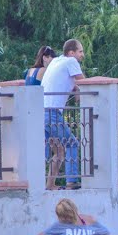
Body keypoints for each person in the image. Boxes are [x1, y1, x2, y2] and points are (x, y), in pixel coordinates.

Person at [41, 39, 86, 190]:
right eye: (80, 51)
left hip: (40, 112)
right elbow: (85, 82)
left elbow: (64, 81)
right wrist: (80, 89)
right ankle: (72, 181)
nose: (82, 55)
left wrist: (76, 89)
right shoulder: (71, 61)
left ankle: (50, 184)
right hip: (52, 113)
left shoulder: (56, 62)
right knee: (72, 143)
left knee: (59, 151)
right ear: (71, 52)